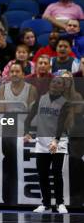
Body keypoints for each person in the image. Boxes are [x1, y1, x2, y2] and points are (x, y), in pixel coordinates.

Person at [24, 76, 69, 214]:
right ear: (50, 84)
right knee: (42, 174)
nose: (55, 84)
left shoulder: (65, 103)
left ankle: (60, 203)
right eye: (54, 82)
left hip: (59, 141)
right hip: (42, 142)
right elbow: (29, 118)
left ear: (63, 87)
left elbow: (61, 124)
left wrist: (56, 140)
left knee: (56, 173)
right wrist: (26, 132)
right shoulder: (41, 99)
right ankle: (46, 204)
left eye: (59, 83)